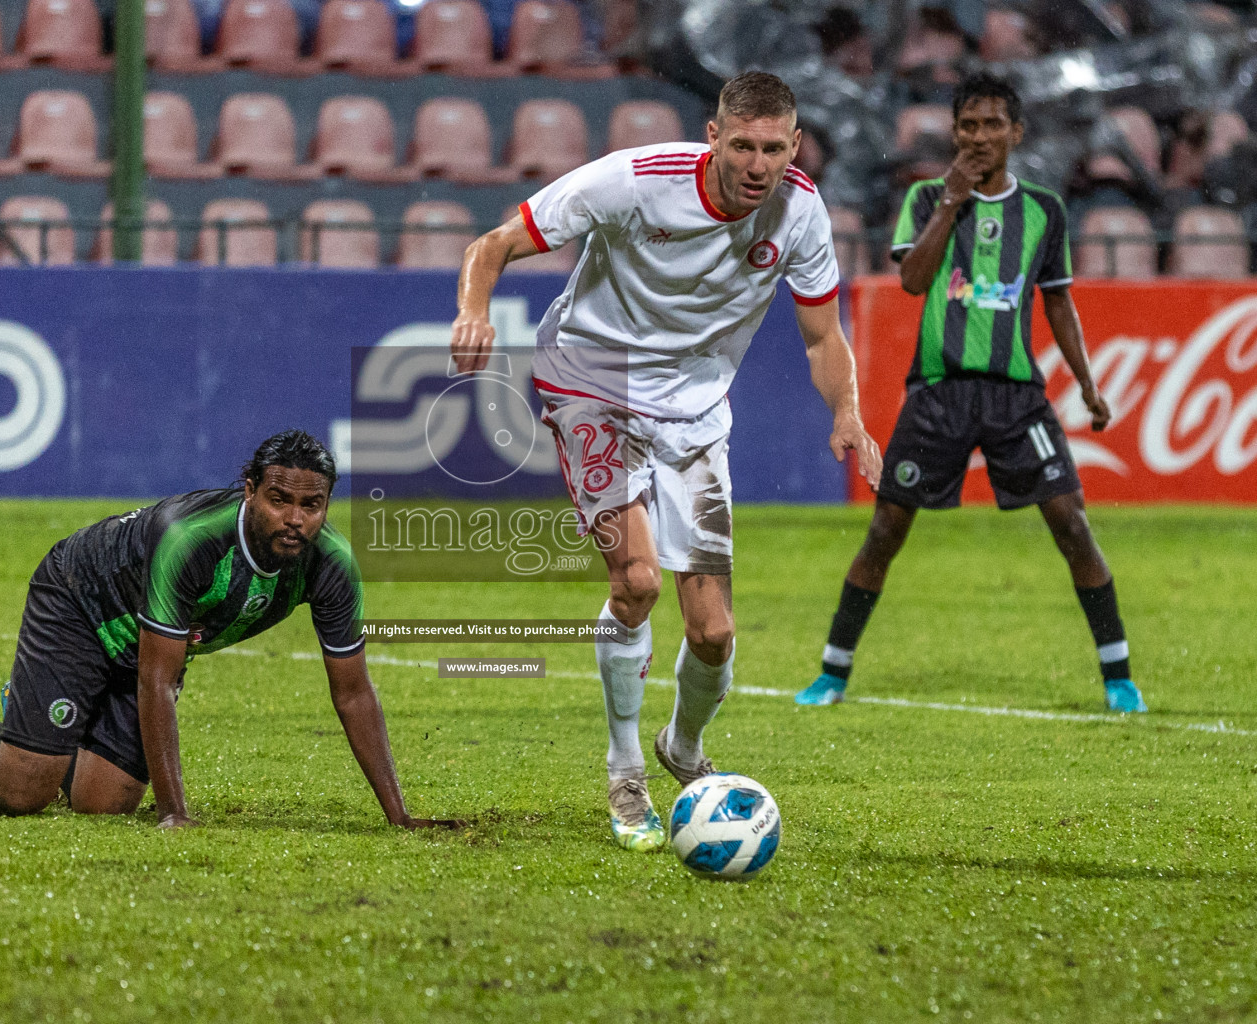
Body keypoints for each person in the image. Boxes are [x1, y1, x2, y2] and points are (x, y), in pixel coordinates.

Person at [451, 71, 882, 852]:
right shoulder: (633, 180)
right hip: (588, 380)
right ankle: (623, 771)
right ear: (713, 138)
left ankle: (681, 749)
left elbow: (822, 336)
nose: (758, 165)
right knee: (637, 582)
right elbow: (495, 244)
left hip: (693, 412)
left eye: (774, 149)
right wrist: (473, 310)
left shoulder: (800, 210)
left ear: (795, 145)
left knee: (713, 633)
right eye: (743, 146)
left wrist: (847, 412)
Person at [0, 430, 459, 830]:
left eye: (312, 505)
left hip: (153, 642)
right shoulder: (191, 539)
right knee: (22, 793)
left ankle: (40, 718)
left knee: (102, 806)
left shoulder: (333, 566)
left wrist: (399, 815)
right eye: (280, 499)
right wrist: (174, 812)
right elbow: (155, 681)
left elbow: (353, 692)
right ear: (250, 491)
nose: (295, 518)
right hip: (79, 604)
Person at [795, 73, 1148, 715]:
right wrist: (952, 204)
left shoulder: (1046, 210)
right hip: (938, 393)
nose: (978, 137)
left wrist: (1090, 387)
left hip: (1018, 398)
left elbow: (1059, 301)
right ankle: (832, 672)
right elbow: (913, 280)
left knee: (1071, 523)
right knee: (886, 530)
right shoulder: (929, 196)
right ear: (954, 132)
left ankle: (1119, 676)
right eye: (968, 125)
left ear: (1016, 133)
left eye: (992, 125)